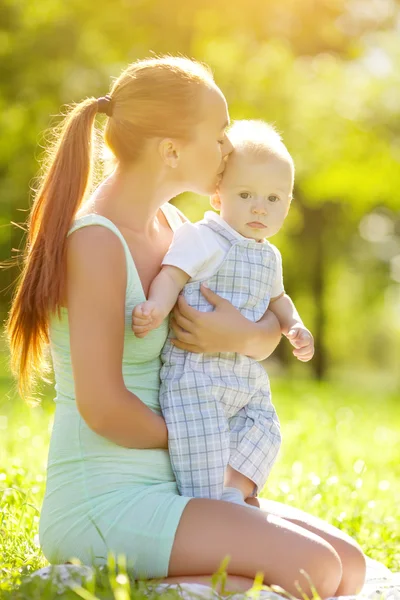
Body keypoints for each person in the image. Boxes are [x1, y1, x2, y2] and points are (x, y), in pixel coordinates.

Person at [6, 55, 366, 598]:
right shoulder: (98, 241)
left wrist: (242, 338)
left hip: (175, 482)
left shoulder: (176, 228)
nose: (229, 150)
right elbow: (103, 408)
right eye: (219, 135)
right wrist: (208, 441)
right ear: (171, 149)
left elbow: (257, 323)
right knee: (316, 572)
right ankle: (141, 584)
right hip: (106, 499)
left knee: (350, 565)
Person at [131, 119, 314, 507]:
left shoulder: (270, 255)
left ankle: (236, 492)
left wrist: (294, 325)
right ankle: (212, 506)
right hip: (196, 377)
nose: (259, 208)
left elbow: (278, 299)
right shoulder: (204, 238)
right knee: (203, 446)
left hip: (244, 377)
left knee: (265, 430)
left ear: (287, 204)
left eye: (273, 199)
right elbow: (172, 275)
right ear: (218, 197)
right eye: (246, 194)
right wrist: (157, 306)